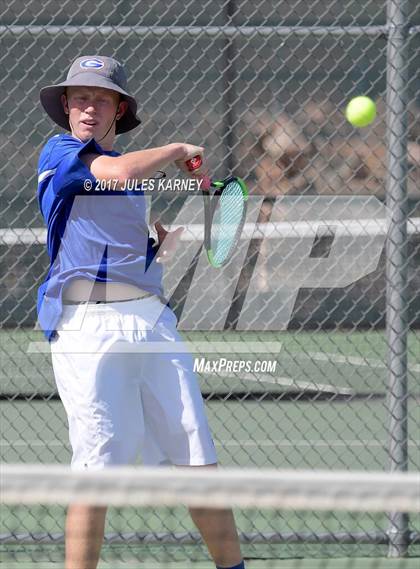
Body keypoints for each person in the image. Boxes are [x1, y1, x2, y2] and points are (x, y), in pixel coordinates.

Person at [37, 55, 244, 569]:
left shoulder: (132, 183)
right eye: (79, 97)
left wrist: (156, 247)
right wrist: (178, 149)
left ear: (118, 109)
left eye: (100, 98)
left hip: (152, 323)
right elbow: (115, 171)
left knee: (199, 463)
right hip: (88, 328)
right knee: (96, 472)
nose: (88, 107)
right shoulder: (61, 152)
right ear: (66, 105)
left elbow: (120, 243)